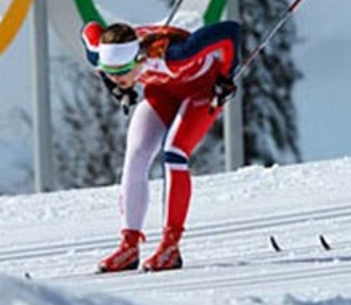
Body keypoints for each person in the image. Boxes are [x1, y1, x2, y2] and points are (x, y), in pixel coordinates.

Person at [81, 18, 241, 273]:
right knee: (135, 156)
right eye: (110, 72)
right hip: (162, 91)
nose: (117, 78)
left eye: (122, 73)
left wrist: (226, 75)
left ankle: (170, 246)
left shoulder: (176, 55)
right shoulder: (101, 53)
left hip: (200, 89)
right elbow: (89, 29)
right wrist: (112, 84)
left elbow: (229, 31)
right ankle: (128, 246)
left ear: (138, 61)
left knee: (174, 153)